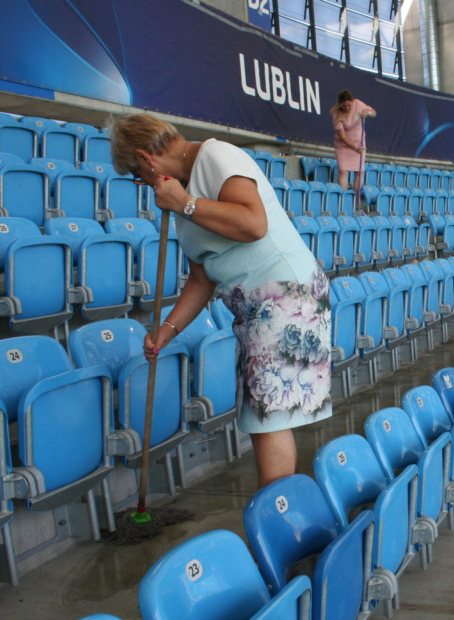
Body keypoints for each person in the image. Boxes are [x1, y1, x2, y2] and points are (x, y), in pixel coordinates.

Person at [109, 113, 332, 489]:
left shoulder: (214, 157)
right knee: (265, 416)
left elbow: (253, 224)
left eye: (138, 177)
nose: (144, 185)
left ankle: (278, 515)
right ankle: (281, 507)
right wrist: (168, 328)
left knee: (266, 417)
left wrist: (185, 203)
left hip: (282, 295)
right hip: (255, 307)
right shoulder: (183, 192)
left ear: (146, 159)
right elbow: (202, 278)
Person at [330, 90, 376, 199]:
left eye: (348, 105)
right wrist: (354, 148)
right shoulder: (336, 115)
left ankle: (356, 202)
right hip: (344, 145)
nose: (346, 108)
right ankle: (342, 199)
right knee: (342, 170)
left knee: (359, 172)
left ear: (352, 102)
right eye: (344, 106)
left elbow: (373, 112)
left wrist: (368, 113)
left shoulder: (359, 104)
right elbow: (342, 136)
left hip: (359, 142)